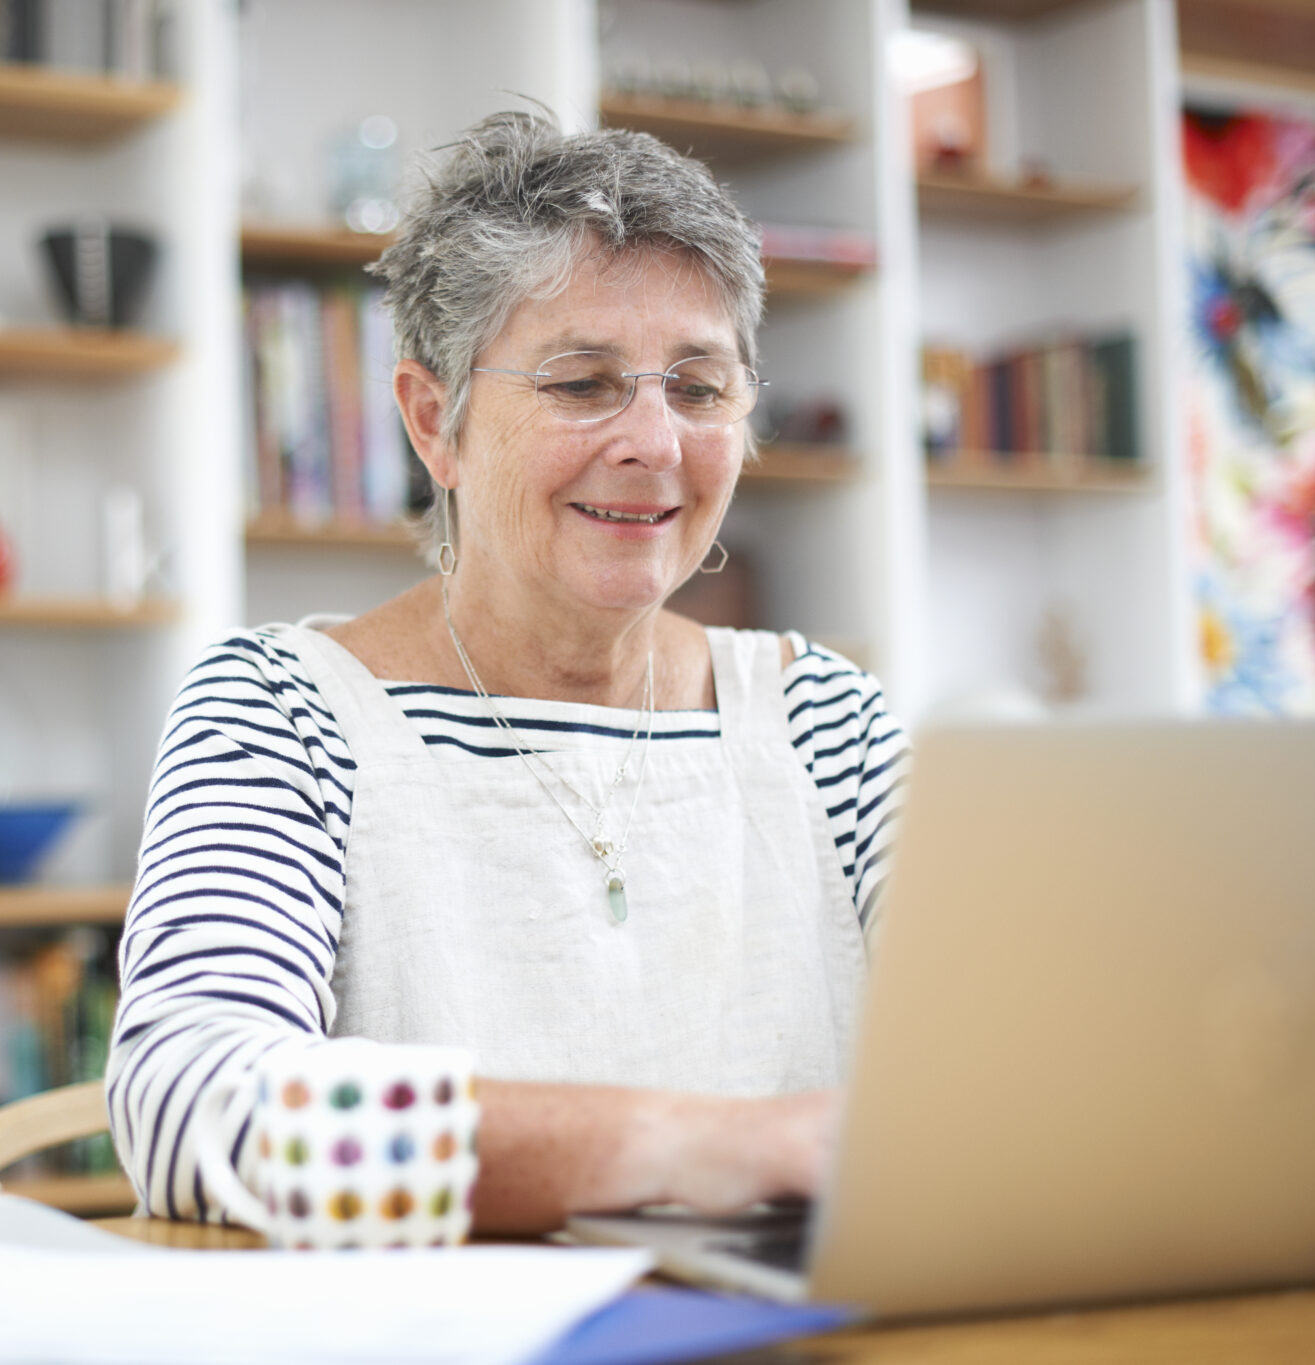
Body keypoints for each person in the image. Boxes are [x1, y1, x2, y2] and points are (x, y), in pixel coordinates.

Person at [106, 112, 907, 1234]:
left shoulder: (825, 720)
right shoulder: (282, 711)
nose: (655, 443)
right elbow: (189, 1109)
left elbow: (1012, 1054)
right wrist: (694, 1147)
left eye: (698, 387)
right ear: (436, 421)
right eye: (582, 382)